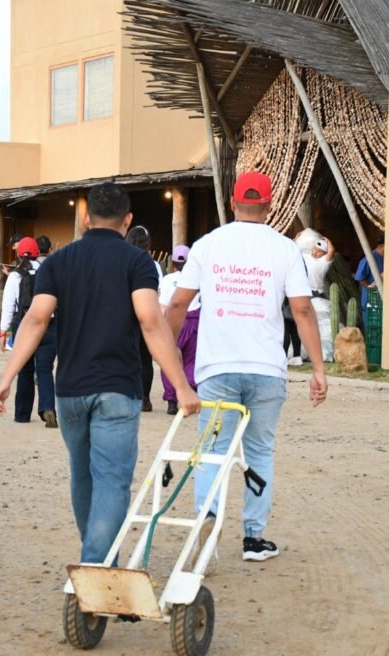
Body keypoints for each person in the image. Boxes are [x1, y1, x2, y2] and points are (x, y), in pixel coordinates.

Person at [0, 182, 199, 565]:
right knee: (112, 480)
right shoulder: (137, 263)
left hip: (69, 389)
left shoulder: (58, 262)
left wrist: (6, 378)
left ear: (86, 218)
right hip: (118, 388)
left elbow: (36, 319)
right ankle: (97, 566)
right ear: (128, 219)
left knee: (83, 476)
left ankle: (99, 562)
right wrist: (181, 386)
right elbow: (151, 322)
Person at [165, 172, 327, 562]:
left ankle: (207, 523)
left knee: (213, 450)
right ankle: (254, 538)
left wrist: (167, 353)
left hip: (217, 369)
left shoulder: (207, 245)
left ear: (233, 204)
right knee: (259, 451)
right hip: (266, 370)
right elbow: (302, 309)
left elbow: (177, 304)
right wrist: (319, 369)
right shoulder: (285, 249)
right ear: (270, 207)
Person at [0, 236, 57, 427]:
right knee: (45, 370)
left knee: (24, 370)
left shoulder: (16, 275)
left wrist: (3, 332)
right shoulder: (47, 272)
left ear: (17, 253)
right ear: (38, 253)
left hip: (23, 324)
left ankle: (22, 414)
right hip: (48, 324)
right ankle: (48, 407)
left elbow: (8, 305)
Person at [124, 225, 163, 411]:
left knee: (126, 355)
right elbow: (158, 290)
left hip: (126, 314)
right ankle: (145, 398)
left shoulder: (122, 260)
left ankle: (129, 394)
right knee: (146, 359)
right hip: (146, 312)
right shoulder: (153, 264)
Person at [158, 244, 199, 415]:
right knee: (192, 359)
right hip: (194, 318)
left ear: (173, 263)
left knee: (170, 358)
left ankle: (171, 400)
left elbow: (163, 305)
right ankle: (190, 385)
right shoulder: (197, 279)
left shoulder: (167, 280)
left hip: (173, 319)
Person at [298, 232, 336, 362]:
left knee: (319, 324)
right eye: (315, 249)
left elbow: (331, 251)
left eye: (319, 251)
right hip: (303, 294)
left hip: (316, 295)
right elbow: (296, 249)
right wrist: (298, 238)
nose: (315, 252)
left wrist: (328, 240)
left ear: (323, 254)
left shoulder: (322, 263)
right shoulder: (306, 257)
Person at [355, 234, 385, 336]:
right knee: (371, 332)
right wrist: (371, 288)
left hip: (382, 301)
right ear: (383, 246)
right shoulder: (369, 259)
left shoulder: (386, 258)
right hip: (370, 301)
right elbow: (360, 278)